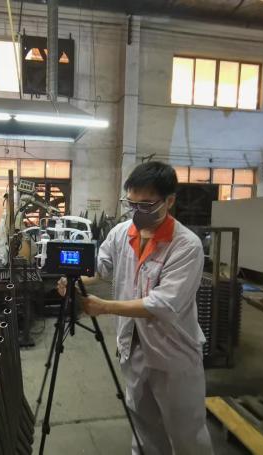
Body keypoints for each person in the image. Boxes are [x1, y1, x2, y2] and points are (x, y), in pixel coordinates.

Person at [58, 162, 213, 455]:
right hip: (133, 348)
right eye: (131, 204)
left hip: (173, 354)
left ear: (169, 201)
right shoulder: (121, 233)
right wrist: (74, 277)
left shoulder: (186, 246)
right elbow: (100, 267)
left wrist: (105, 307)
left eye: (146, 205)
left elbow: (163, 304)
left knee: (186, 435)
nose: (137, 212)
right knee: (144, 429)